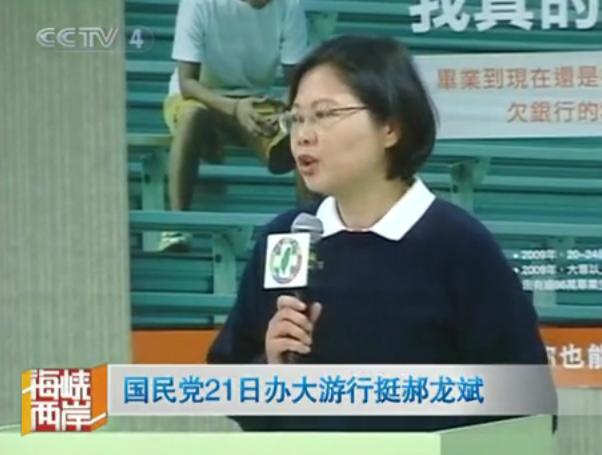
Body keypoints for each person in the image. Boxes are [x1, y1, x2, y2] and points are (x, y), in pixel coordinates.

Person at [207, 35, 555, 431]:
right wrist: (269, 369)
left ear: (391, 127)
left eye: (324, 114)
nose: (303, 135)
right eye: (297, 118)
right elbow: (229, 379)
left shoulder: (458, 245)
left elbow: (526, 407)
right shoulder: (286, 238)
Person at [159, 0, 310, 252]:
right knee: (193, 116)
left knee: (299, 131)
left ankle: (307, 231)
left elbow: (295, 82)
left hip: (253, 99)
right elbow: (187, 84)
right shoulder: (198, 3)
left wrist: (284, 107)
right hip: (198, 96)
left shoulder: (289, 6)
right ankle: (176, 225)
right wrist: (234, 108)